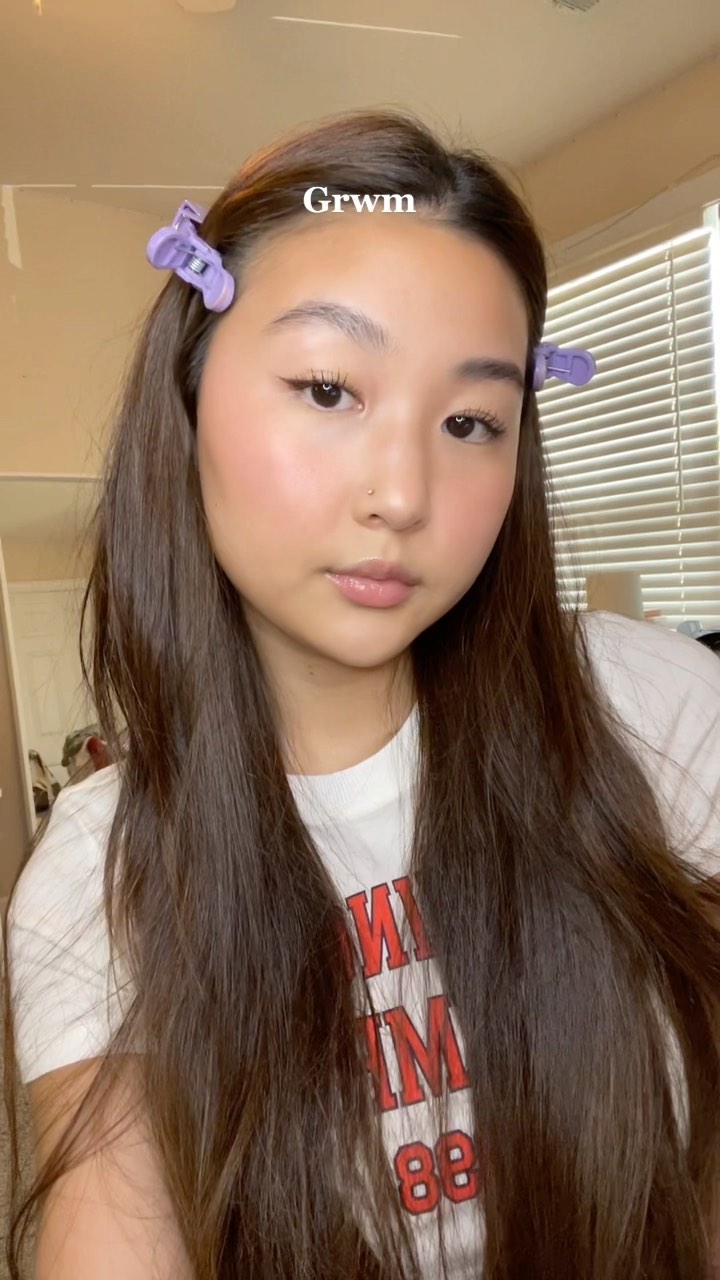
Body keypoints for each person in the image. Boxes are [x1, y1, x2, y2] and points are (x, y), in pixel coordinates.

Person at [2, 107, 720, 1280]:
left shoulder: (651, 708)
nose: (403, 491)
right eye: (330, 388)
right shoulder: (100, 868)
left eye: (471, 420)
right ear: (189, 393)